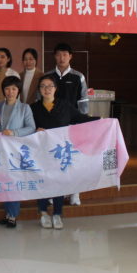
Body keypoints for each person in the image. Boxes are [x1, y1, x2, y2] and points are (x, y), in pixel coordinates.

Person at [31, 75, 98, 229]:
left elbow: (80, 118)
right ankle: (43, 212)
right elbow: (28, 127)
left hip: (59, 152)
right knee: (42, 182)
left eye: (50, 86)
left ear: (55, 88)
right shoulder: (33, 108)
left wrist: (100, 119)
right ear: (39, 90)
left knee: (59, 182)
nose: (47, 89)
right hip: (41, 152)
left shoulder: (65, 105)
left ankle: (57, 214)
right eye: (43, 86)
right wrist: (35, 130)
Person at [43, 42, 89, 206]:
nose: (62, 58)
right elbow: (41, 100)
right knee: (53, 160)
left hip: (72, 127)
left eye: (65, 55)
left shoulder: (78, 76)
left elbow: (83, 102)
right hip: (52, 127)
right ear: (54, 56)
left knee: (73, 160)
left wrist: (82, 123)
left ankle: (75, 193)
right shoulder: (48, 76)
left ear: (70, 57)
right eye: (59, 54)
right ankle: (54, 193)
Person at [0, 76, 36, 228]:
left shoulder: (25, 108)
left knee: (13, 181)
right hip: (0, 150)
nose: (10, 92)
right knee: (4, 181)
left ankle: (12, 216)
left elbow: (31, 128)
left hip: (15, 151)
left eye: (14, 89)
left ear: (18, 91)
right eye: (7, 89)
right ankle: (7, 214)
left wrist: (14, 132)